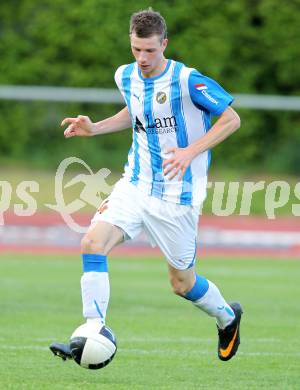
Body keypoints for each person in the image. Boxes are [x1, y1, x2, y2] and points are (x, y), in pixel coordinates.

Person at [50, 8, 242, 362]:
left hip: (177, 196)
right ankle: (93, 329)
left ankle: (227, 317)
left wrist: (189, 152)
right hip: (134, 185)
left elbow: (231, 119)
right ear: (131, 43)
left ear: (164, 44)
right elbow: (136, 111)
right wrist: (96, 128)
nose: (142, 58)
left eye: (150, 51)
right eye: (137, 49)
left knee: (182, 283)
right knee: (92, 242)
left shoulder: (187, 80)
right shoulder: (125, 76)